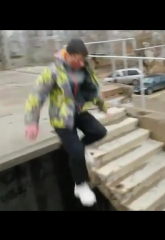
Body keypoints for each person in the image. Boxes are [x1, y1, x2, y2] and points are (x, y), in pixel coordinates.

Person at [24, 39, 109, 207]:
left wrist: (104, 106)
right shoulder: (53, 70)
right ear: (67, 55)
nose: (79, 62)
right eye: (76, 58)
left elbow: (93, 89)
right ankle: (81, 185)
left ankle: (79, 148)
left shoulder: (84, 68)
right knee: (76, 151)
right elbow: (37, 95)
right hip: (61, 118)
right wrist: (32, 121)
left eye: (82, 59)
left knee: (99, 131)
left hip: (79, 112)